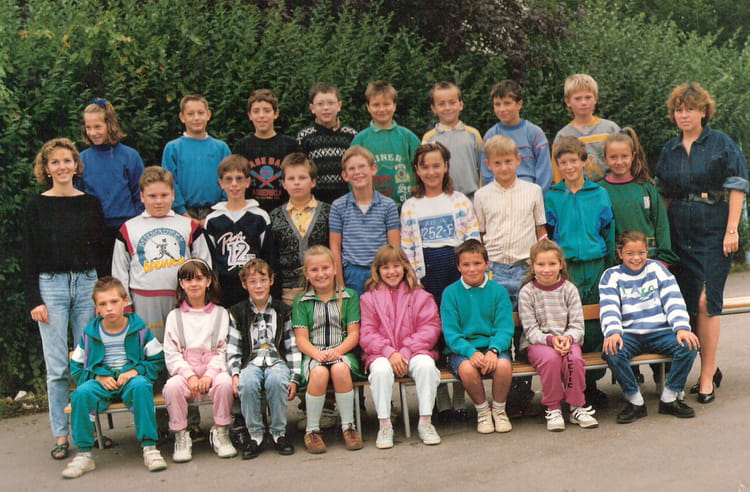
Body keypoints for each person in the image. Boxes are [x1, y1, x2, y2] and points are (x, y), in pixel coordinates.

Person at [655, 82, 749, 403]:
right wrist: (660, 238)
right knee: (686, 302)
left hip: (713, 229)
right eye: (679, 110)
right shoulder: (669, 149)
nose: (684, 115)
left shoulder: (720, 142)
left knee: (706, 301)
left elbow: (737, 186)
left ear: (703, 112)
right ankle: (711, 363)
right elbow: (663, 195)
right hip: (678, 231)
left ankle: (706, 374)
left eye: (691, 109)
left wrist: (732, 229)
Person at [23, 138, 107, 460]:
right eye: (55, 162)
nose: (62, 167)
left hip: (87, 284)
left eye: (67, 161)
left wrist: (102, 294)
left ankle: (89, 432)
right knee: (57, 367)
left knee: (88, 362)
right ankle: (61, 435)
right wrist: (34, 299)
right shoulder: (36, 206)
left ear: (76, 165)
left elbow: (101, 251)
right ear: (46, 168)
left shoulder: (90, 203)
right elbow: (28, 254)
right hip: (51, 287)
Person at [400, 141, 478, 420]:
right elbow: (407, 246)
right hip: (427, 276)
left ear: (445, 166)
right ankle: (440, 397)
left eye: (436, 165)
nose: (431, 172)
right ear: (417, 170)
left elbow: (472, 238)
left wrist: (469, 273)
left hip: (455, 272)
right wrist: (414, 280)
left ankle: (459, 395)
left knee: (457, 330)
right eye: (425, 167)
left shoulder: (459, 200)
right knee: (432, 334)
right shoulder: (411, 206)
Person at [63, 277, 166, 478]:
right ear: (96, 307)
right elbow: (75, 366)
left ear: (125, 301)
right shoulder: (90, 334)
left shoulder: (139, 330)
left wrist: (136, 371)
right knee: (81, 394)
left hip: (130, 381)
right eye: (103, 304)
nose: (109, 308)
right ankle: (84, 455)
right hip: (102, 382)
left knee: (141, 385)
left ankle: (150, 448)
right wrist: (96, 377)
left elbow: (157, 360)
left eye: (114, 301)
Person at [473, 134, 546, 417]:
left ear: (518, 160)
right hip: (496, 268)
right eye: (497, 163)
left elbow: (540, 229)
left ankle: (521, 392)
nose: (503, 167)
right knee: (503, 328)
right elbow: (481, 233)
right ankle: (504, 392)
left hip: (526, 266)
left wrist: (540, 262)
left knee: (526, 329)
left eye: (508, 161)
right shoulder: (482, 196)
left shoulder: (533, 191)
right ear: (488, 165)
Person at [600, 230, 700, 423]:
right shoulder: (611, 276)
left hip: (659, 332)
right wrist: (613, 332)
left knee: (689, 345)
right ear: (620, 253)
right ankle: (635, 401)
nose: (636, 258)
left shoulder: (657, 269)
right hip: (629, 334)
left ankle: (669, 397)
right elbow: (609, 307)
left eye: (641, 253)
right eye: (630, 253)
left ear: (647, 251)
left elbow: (673, 300)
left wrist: (681, 328)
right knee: (612, 351)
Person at [545, 136, 614, 407]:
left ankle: (591, 384)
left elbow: (608, 230)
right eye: (563, 162)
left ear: (584, 161)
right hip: (568, 267)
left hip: (595, 264)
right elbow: (549, 233)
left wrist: (609, 265)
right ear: (558, 165)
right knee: (568, 322)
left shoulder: (598, 193)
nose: (569, 166)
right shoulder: (553, 195)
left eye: (574, 161)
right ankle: (571, 385)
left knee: (594, 323)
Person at [112, 166, 212, 342]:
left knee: (184, 345)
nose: (158, 201)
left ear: (173, 195)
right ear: (142, 196)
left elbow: (204, 263)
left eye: (164, 195)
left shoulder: (188, 226)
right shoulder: (129, 227)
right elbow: (119, 270)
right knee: (150, 347)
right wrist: (124, 304)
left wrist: (202, 296)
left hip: (183, 297)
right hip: (144, 298)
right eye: (152, 196)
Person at [359, 244, 442, 448]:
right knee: (380, 370)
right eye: (385, 267)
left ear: (405, 267)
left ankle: (425, 422)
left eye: (396, 266)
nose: (392, 271)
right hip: (382, 354)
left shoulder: (421, 296)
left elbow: (430, 328)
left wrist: (405, 350)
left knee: (425, 366)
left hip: (414, 351)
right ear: (377, 270)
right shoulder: (368, 299)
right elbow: (367, 333)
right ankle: (385, 425)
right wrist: (389, 352)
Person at [518, 239, 598, 432]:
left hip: (567, 340)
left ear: (561, 264)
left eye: (552, 264)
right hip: (538, 343)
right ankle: (553, 408)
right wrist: (550, 340)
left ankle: (576, 406)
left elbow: (577, 325)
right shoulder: (527, 292)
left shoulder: (569, 289)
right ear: (532, 266)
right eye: (541, 264)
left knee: (574, 359)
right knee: (551, 359)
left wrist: (568, 339)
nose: (546, 269)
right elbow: (530, 329)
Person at [162, 259, 236, 462]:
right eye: (188, 279)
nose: (194, 284)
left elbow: (224, 349)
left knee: (224, 383)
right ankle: (181, 435)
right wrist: (190, 376)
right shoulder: (174, 316)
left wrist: (210, 375)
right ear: (181, 283)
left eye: (199, 278)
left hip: (214, 368)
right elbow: (171, 353)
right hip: (187, 370)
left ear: (208, 281)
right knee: (172, 387)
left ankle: (221, 431)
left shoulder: (221, 314)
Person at [292, 246, 364, 453]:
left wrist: (338, 351)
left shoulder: (349, 296)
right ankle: (312, 430)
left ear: (334, 268)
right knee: (319, 373)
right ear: (306, 273)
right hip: (314, 353)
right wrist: (316, 353)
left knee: (339, 369)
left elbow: (353, 334)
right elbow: (301, 338)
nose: (320, 274)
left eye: (325, 268)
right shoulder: (301, 300)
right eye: (314, 270)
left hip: (342, 351)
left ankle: (348, 426)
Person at [227, 258, 300, 459]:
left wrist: (294, 377)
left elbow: (292, 346)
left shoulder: (283, 310)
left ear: (271, 280)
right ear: (244, 284)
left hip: (277, 361)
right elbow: (233, 347)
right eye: (252, 282)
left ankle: (278, 433)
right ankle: (256, 435)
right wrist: (235, 373)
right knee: (248, 383)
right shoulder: (237, 312)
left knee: (276, 380)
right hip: (250, 362)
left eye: (262, 280)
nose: (258, 286)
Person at [440, 239, 514, 434]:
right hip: (462, 350)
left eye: (477, 263)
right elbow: (451, 333)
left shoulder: (498, 291)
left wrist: (493, 350)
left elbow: (504, 328)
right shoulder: (450, 293)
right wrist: (471, 352)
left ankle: (499, 410)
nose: (472, 269)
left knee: (503, 366)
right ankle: (482, 412)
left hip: (493, 347)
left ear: (487, 264)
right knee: (467, 369)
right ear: (458, 267)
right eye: (466, 264)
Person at [78, 98, 145, 274]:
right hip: (95, 230)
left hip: (125, 227)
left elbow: (139, 193)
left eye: (97, 127)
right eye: (88, 127)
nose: (93, 132)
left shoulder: (130, 156)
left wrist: (136, 224)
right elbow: (78, 195)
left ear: (110, 125)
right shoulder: (81, 159)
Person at [204, 154, 278, 307]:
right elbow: (210, 261)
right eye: (228, 179)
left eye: (239, 178)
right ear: (221, 183)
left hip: (255, 290)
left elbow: (268, 257)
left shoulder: (260, 216)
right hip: (223, 292)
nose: (234, 184)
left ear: (247, 182)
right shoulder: (212, 220)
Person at [600, 127, 679, 266]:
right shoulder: (600, 190)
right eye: (613, 157)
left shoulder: (646, 187)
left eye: (624, 156)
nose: (619, 162)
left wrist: (664, 259)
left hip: (649, 259)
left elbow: (661, 224)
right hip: (616, 263)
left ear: (633, 156)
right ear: (604, 158)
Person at [329, 145, 400, 295]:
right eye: (351, 169)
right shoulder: (338, 206)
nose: (357, 172)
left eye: (362, 166)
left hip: (381, 272)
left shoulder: (388, 205)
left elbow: (394, 247)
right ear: (345, 175)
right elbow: (335, 248)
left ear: (373, 169)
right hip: (351, 273)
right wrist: (340, 285)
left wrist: (391, 276)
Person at [270, 153, 331, 306]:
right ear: (284, 183)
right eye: (291, 178)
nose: (296, 183)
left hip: (323, 288)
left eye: (302, 178)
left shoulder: (328, 212)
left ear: (313, 181)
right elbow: (273, 257)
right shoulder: (274, 216)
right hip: (288, 292)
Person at [161, 93, 231, 224]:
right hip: (182, 212)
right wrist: (182, 212)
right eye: (190, 114)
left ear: (208, 115)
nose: (196, 118)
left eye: (200, 113)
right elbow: (169, 181)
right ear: (182, 117)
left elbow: (229, 179)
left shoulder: (221, 148)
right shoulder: (173, 148)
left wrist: (219, 210)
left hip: (216, 211)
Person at [350, 80, 420, 208]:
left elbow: (421, 167)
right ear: (368, 107)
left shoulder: (407, 137)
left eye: (386, 104)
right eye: (376, 105)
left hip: (406, 205)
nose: (382, 109)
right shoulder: (360, 140)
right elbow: (351, 174)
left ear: (394, 105)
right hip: (372, 207)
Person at [232, 89, 301, 212]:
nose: (261, 115)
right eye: (256, 111)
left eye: (267, 110)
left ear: (276, 113)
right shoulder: (241, 147)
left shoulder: (291, 145)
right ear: (250, 115)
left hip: (285, 212)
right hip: (250, 213)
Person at [480, 80, 552, 193]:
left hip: (530, 194)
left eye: (507, 103)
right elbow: (486, 174)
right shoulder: (490, 136)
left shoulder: (535, 133)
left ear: (519, 104)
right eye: (497, 104)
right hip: (499, 195)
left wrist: (537, 196)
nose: (502, 109)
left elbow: (544, 172)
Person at [551, 74, 620, 183]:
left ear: (595, 98)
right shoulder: (562, 136)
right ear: (568, 102)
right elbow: (558, 174)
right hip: (577, 190)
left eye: (588, 97)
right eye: (577, 98)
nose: (583, 102)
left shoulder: (611, 129)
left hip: (610, 188)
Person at [296, 82, 358, 204]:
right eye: (320, 104)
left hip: (346, 198)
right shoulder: (304, 136)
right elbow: (300, 169)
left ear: (339, 106)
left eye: (330, 103)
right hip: (315, 200)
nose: (326, 108)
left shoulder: (351, 135)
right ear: (312, 108)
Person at [422, 81, 482, 198]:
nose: (447, 107)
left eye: (452, 102)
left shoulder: (473, 134)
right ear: (433, 108)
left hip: (472, 198)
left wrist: (481, 193)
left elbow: (483, 169)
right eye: (441, 104)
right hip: (441, 198)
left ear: (461, 105)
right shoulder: (429, 138)